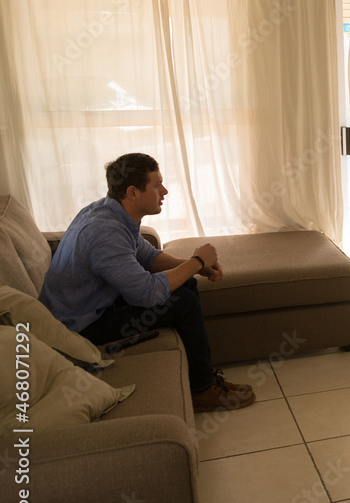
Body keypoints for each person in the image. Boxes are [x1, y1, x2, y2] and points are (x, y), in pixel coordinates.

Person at [38, 153, 255, 412]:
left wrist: (195, 267)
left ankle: (202, 378)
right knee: (183, 302)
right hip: (80, 327)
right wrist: (196, 261)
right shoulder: (104, 232)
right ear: (132, 192)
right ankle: (202, 390)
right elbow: (148, 294)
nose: (164, 191)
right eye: (156, 185)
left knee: (185, 284)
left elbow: (147, 256)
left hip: (88, 307)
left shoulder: (109, 212)